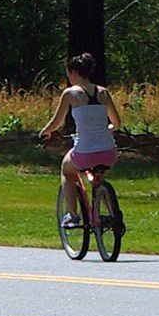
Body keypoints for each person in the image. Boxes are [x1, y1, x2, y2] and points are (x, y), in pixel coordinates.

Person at [39, 53, 121, 227]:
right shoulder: (104, 93)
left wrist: (45, 132)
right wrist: (106, 130)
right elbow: (116, 123)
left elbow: (57, 122)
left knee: (67, 170)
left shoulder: (70, 93)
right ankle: (112, 215)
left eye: (68, 73)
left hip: (85, 154)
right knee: (98, 179)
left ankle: (72, 214)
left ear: (74, 72)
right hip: (109, 153)